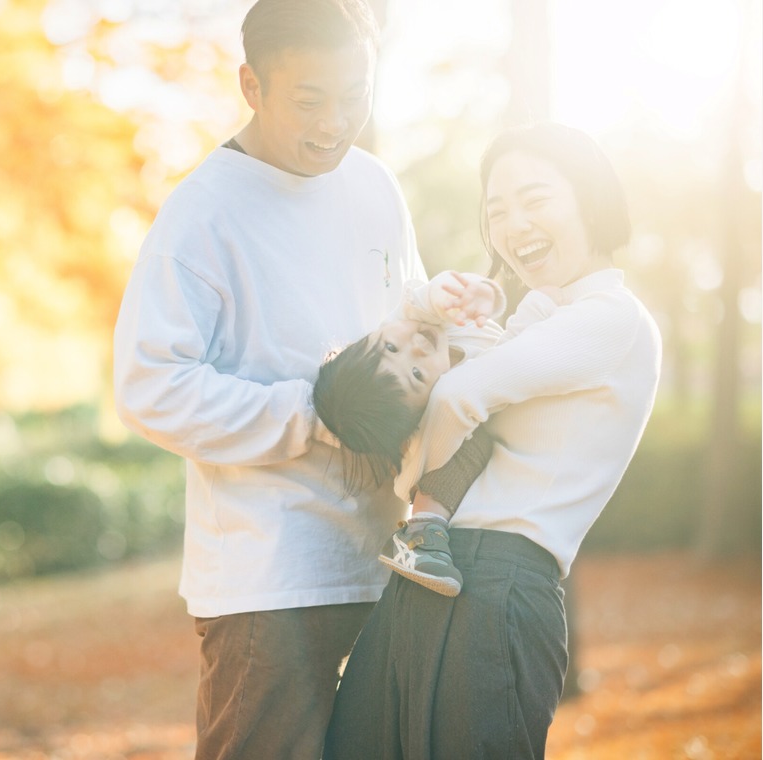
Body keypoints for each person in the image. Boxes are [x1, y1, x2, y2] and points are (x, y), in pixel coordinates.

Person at [112, 1, 424, 757]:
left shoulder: (374, 186)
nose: (335, 123)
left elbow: (413, 329)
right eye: (310, 100)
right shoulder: (201, 214)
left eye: (356, 95)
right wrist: (313, 415)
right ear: (252, 85)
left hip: (388, 559)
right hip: (270, 582)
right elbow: (149, 385)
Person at [322, 121, 663, 760]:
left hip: (499, 582)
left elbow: (455, 396)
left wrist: (411, 486)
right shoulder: (540, 315)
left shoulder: (611, 320)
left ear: (588, 196)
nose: (513, 224)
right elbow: (443, 369)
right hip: (431, 568)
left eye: (535, 199)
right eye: (497, 209)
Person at [313, 270, 508, 598]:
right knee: (469, 447)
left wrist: (458, 295)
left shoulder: (420, 317)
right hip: (436, 465)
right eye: (416, 375)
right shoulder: (440, 407)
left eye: (390, 346)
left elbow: (422, 300)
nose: (415, 348)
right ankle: (422, 533)